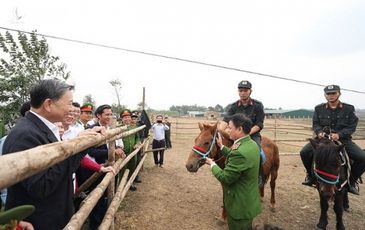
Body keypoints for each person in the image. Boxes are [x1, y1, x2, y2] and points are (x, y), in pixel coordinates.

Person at [2, 79, 102, 229]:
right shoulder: (25, 135)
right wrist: (78, 146)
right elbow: (42, 186)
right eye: (69, 103)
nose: (72, 109)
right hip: (39, 222)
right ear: (48, 104)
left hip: (54, 215)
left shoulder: (42, 128)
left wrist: (81, 142)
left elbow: (59, 168)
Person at [300, 85, 365, 195]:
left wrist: (339, 135)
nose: (330, 96)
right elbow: (315, 124)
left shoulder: (349, 108)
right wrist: (319, 132)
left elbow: (351, 126)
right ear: (325, 95)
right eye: (328, 94)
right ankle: (310, 176)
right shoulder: (318, 108)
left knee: (362, 157)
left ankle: (352, 181)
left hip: (343, 140)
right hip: (323, 140)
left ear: (339, 93)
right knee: (304, 152)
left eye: (333, 93)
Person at [206, 114, 261, 230]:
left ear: (240, 129)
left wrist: (212, 164)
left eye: (230, 128)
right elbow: (236, 156)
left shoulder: (239, 151)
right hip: (248, 201)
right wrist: (221, 146)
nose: (227, 131)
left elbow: (225, 178)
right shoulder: (251, 144)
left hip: (239, 206)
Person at [218, 80, 265, 187]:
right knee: (224, 149)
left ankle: (259, 176)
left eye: (245, 90)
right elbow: (225, 120)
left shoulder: (257, 105)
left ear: (250, 91)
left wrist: (247, 133)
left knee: (258, 152)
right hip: (236, 135)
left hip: (252, 135)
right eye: (240, 90)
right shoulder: (234, 106)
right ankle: (228, 172)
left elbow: (259, 124)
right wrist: (220, 130)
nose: (242, 92)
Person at [118, 109, 141, 190]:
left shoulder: (134, 128)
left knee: (132, 168)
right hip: (122, 154)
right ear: (121, 118)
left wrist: (137, 143)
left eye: (129, 117)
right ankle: (120, 187)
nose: (127, 119)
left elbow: (137, 138)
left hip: (132, 152)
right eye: (125, 117)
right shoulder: (118, 128)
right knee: (122, 170)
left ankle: (130, 184)